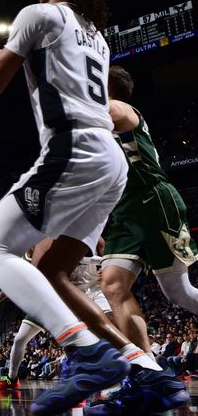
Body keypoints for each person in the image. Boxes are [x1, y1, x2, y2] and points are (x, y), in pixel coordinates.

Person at [0, 0, 136, 414]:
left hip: (73, 150)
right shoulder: (98, 37)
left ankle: (86, 352)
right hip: (110, 160)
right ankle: (140, 367)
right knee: (54, 269)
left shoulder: (39, 15)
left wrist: (5, 51)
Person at [87, 65, 193, 413]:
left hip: (153, 201)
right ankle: (147, 370)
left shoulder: (120, 110)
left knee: (178, 294)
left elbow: (105, 112)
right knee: (113, 286)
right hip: (125, 212)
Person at [0, 238, 114, 390]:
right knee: (20, 339)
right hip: (45, 302)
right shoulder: (24, 259)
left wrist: (106, 267)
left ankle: (79, 378)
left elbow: (93, 252)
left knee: (77, 338)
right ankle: (12, 378)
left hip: (72, 295)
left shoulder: (56, 242)